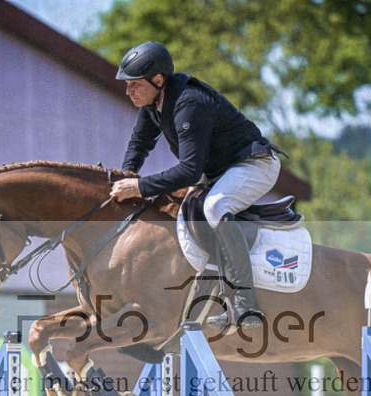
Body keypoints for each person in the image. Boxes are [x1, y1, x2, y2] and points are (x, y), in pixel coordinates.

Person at [108, 41, 283, 332]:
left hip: (255, 165)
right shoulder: (153, 102)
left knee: (216, 206)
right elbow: (139, 143)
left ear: (158, 80)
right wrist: (125, 175)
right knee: (183, 212)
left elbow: (190, 171)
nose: (128, 91)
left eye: (134, 84)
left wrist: (139, 188)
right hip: (218, 173)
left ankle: (246, 304)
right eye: (127, 85)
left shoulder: (189, 102)